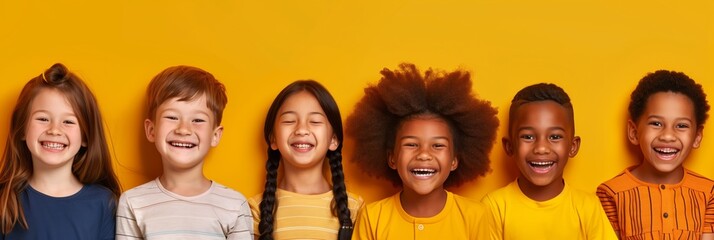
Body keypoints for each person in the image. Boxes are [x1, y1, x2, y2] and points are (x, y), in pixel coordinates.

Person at [347, 63, 498, 239]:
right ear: (392, 158)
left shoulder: (476, 216)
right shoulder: (372, 217)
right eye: (411, 144)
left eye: (438, 145)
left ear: (454, 160)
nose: (424, 154)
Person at [115, 65, 252, 239]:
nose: (184, 129)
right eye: (172, 117)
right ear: (151, 130)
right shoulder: (132, 202)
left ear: (215, 135)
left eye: (198, 120)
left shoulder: (234, 204)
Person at [0, 63, 121, 239]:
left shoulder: (104, 203)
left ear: (86, 136)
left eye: (68, 122)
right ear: (22, 129)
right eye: (43, 118)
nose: (54, 130)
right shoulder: (4, 200)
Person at [481, 83, 616, 239]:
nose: (541, 148)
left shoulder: (588, 207)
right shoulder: (494, 207)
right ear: (510, 146)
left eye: (555, 137)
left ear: (572, 146)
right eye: (528, 137)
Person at [597, 70, 714, 240]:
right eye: (656, 123)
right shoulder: (611, 193)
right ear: (634, 132)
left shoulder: (709, 193)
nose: (667, 136)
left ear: (697, 137)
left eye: (681, 125)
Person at [249, 80, 363, 240]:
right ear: (273, 138)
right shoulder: (255, 209)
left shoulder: (355, 208)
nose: (301, 130)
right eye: (289, 121)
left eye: (315, 122)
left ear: (333, 140)